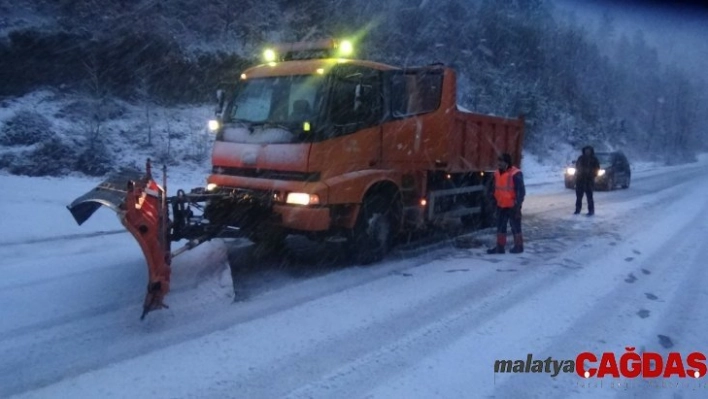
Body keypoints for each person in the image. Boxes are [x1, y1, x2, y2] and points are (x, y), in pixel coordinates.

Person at [487, 153, 526, 254]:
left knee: (515, 227)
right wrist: (493, 201)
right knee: (500, 227)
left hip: (512, 206)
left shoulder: (515, 174)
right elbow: (492, 189)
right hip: (501, 205)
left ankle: (519, 246)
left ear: (507, 163)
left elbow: (521, 192)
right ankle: (500, 247)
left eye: (501, 161)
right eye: (498, 161)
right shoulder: (496, 174)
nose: (499, 164)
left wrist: (517, 205)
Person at [574, 145, 600, 216]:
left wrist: (592, 174)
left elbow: (597, 169)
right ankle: (577, 210)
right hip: (580, 180)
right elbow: (577, 167)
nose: (587, 152)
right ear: (584, 151)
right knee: (579, 197)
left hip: (589, 180)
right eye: (586, 150)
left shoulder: (594, 159)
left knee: (589, 197)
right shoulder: (580, 158)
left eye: (589, 151)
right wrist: (577, 175)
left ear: (591, 151)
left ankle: (591, 211)